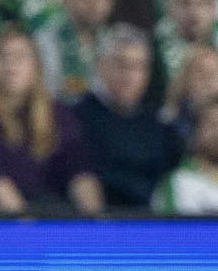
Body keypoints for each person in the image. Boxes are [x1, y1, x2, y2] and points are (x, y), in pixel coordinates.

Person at [0, 31, 104, 213]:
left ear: (36, 65)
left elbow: (79, 170)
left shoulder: (59, 114)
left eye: (20, 57)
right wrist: (27, 228)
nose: (11, 65)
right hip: (6, 221)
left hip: (56, 213)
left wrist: (95, 220)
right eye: (2, 56)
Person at [74, 27, 184, 208]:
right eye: (121, 64)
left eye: (139, 66)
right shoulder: (77, 119)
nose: (130, 75)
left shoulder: (159, 126)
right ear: (100, 66)